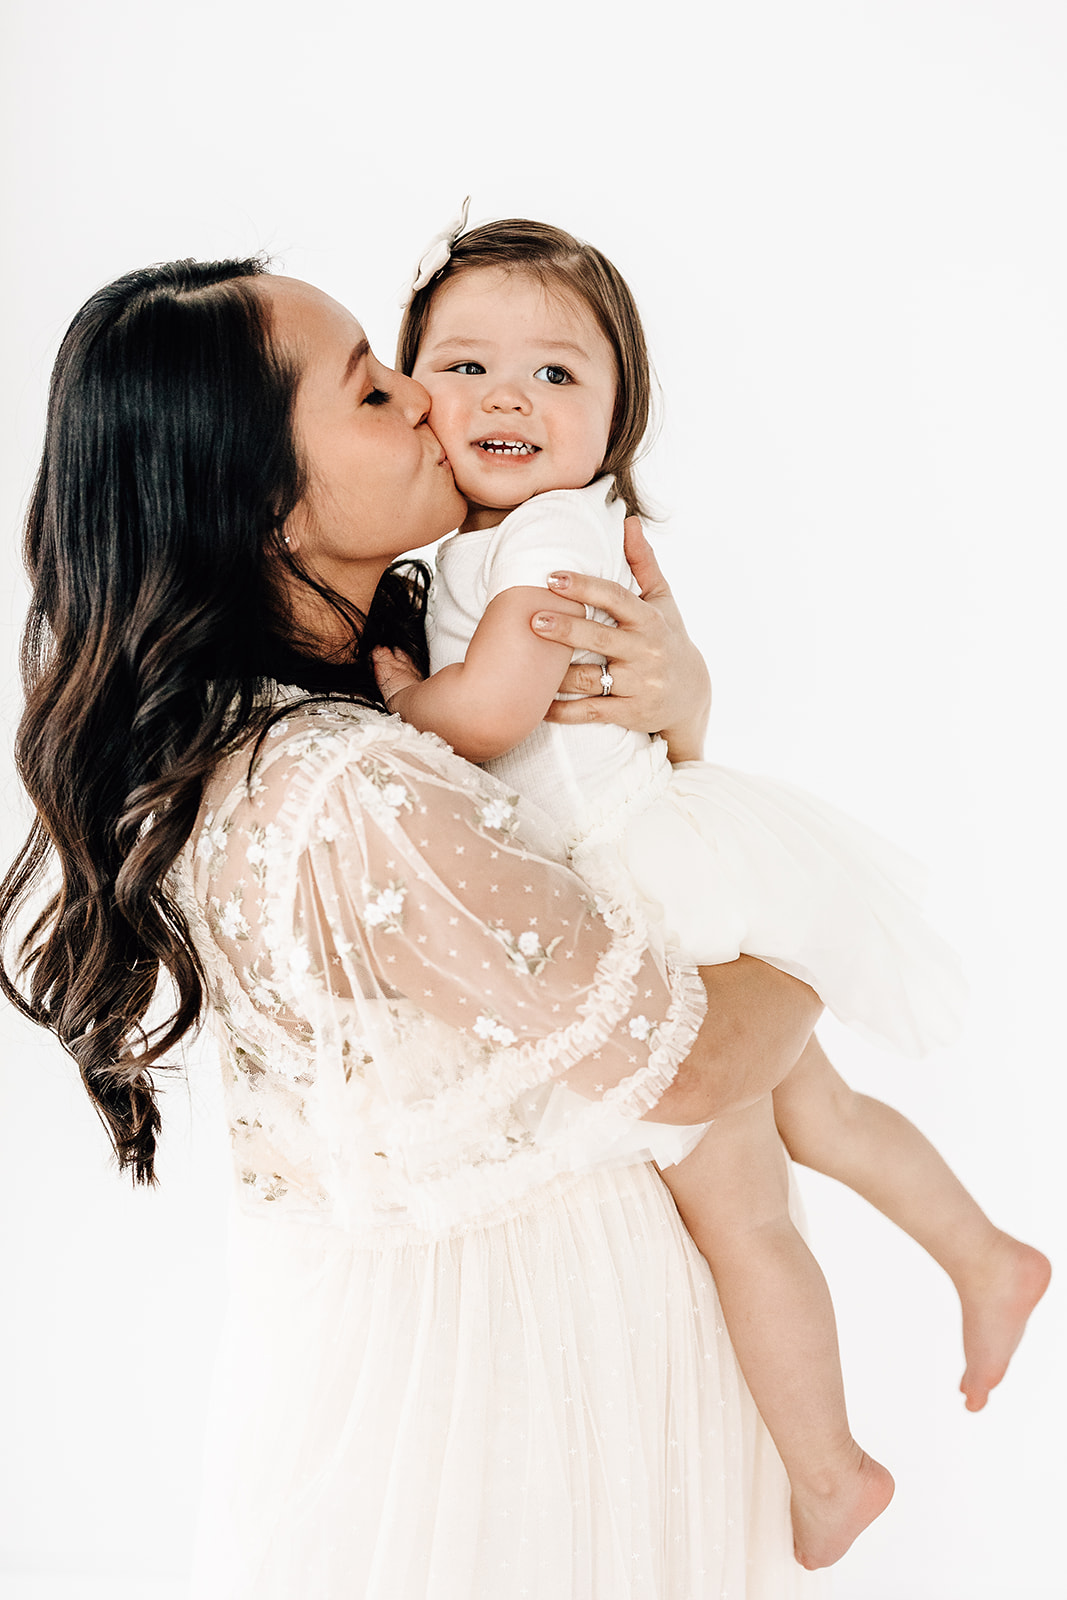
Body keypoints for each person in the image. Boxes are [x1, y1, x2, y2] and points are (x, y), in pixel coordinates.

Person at [0, 256, 839, 1598]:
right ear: (263, 495)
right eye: (373, 390)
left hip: (474, 1380)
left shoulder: (317, 738)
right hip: (502, 1418)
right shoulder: (351, 788)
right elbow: (679, 1055)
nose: (427, 404)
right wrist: (823, 918)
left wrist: (674, 721)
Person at [379, 215, 1052, 1568]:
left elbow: (500, 701)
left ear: (621, 416)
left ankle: (829, 1469)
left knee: (739, 1204)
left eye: (559, 376)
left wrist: (406, 697)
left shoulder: (548, 537)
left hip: (641, 882)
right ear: (410, 398)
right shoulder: (488, 540)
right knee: (823, 1109)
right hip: (666, 845)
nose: (510, 397)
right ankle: (984, 1254)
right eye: (465, 366)